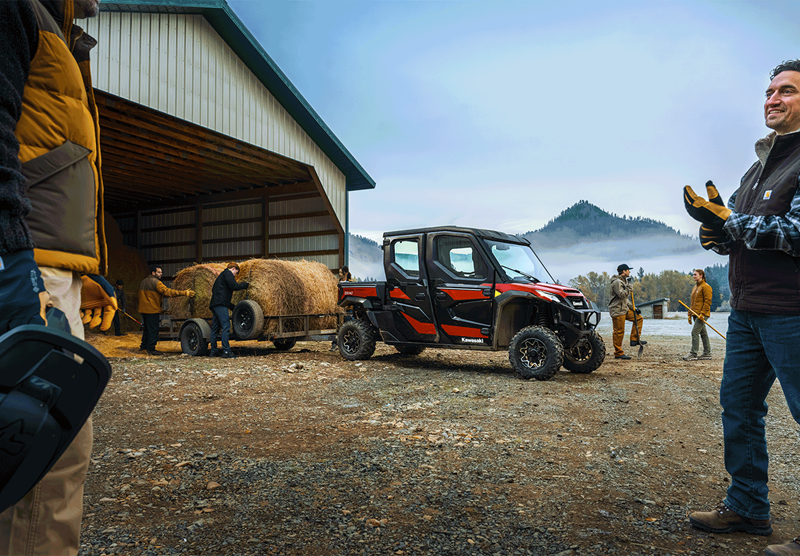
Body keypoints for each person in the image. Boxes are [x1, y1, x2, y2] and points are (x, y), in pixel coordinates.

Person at [0, 0, 111, 553]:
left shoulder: (59, 31)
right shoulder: (18, 10)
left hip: (45, 264)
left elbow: (53, 159)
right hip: (21, 261)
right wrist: (14, 267)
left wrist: (86, 271)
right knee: (41, 452)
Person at [685, 60, 800, 556]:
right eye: (770, 91)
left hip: (793, 312)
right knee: (740, 408)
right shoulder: (758, 166)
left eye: (787, 92)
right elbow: (735, 230)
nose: (772, 99)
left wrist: (734, 221)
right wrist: (717, 232)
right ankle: (749, 507)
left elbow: (797, 233)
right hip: (749, 312)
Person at [138, 265, 194, 355]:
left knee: (147, 329)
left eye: (161, 272)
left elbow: (153, 295)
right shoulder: (156, 282)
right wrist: (184, 293)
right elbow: (167, 292)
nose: (161, 274)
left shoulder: (144, 282)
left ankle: (143, 347)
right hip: (152, 310)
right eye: (159, 272)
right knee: (153, 330)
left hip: (144, 310)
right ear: (153, 273)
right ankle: (151, 349)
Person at [209, 262, 249, 358]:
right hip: (220, 305)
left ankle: (213, 351)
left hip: (215, 304)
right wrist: (244, 285)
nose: (235, 275)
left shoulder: (220, 278)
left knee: (215, 328)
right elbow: (234, 286)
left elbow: (220, 293)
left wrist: (232, 306)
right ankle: (226, 351)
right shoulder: (228, 273)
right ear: (234, 268)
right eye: (236, 273)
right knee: (226, 326)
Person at [608, 263, 645, 360]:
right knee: (619, 332)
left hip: (624, 308)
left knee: (639, 318)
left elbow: (625, 300)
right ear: (624, 271)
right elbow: (621, 295)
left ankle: (635, 339)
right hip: (617, 310)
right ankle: (618, 353)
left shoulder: (623, 282)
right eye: (628, 270)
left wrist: (634, 308)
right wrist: (629, 288)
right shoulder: (616, 282)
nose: (629, 272)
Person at [683, 269, 712, 361]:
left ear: (701, 275)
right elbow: (692, 303)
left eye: (695, 274)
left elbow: (707, 302)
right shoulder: (695, 288)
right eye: (693, 274)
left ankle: (693, 353)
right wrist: (689, 314)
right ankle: (707, 353)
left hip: (702, 314)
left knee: (694, 332)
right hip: (695, 314)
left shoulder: (706, 287)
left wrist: (703, 314)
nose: (693, 276)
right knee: (703, 333)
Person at [331, 265, 354, 351]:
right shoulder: (337, 283)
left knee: (348, 327)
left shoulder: (351, 284)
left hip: (348, 310)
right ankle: (335, 344)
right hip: (339, 310)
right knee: (337, 327)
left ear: (346, 273)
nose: (339, 274)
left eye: (341, 272)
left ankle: (348, 345)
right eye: (339, 272)